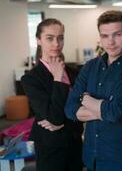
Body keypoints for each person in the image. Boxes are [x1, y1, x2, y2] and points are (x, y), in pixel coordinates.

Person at [64, 10, 122, 171]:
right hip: (92, 156)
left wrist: (85, 100)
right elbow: (69, 109)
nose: (111, 42)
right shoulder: (90, 67)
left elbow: (116, 111)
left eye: (117, 34)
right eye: (105, 36)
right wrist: (104, 110)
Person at [21, 18, 83, 171]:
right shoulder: (31, 79)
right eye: (50, 38)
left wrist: (62, 123)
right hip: (51, 147)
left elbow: (82, 107)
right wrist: (58, 79)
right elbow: (53, 117)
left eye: (60, 38)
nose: (56, 43)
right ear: (39, 40)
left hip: (75, 143)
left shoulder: (74, 72)